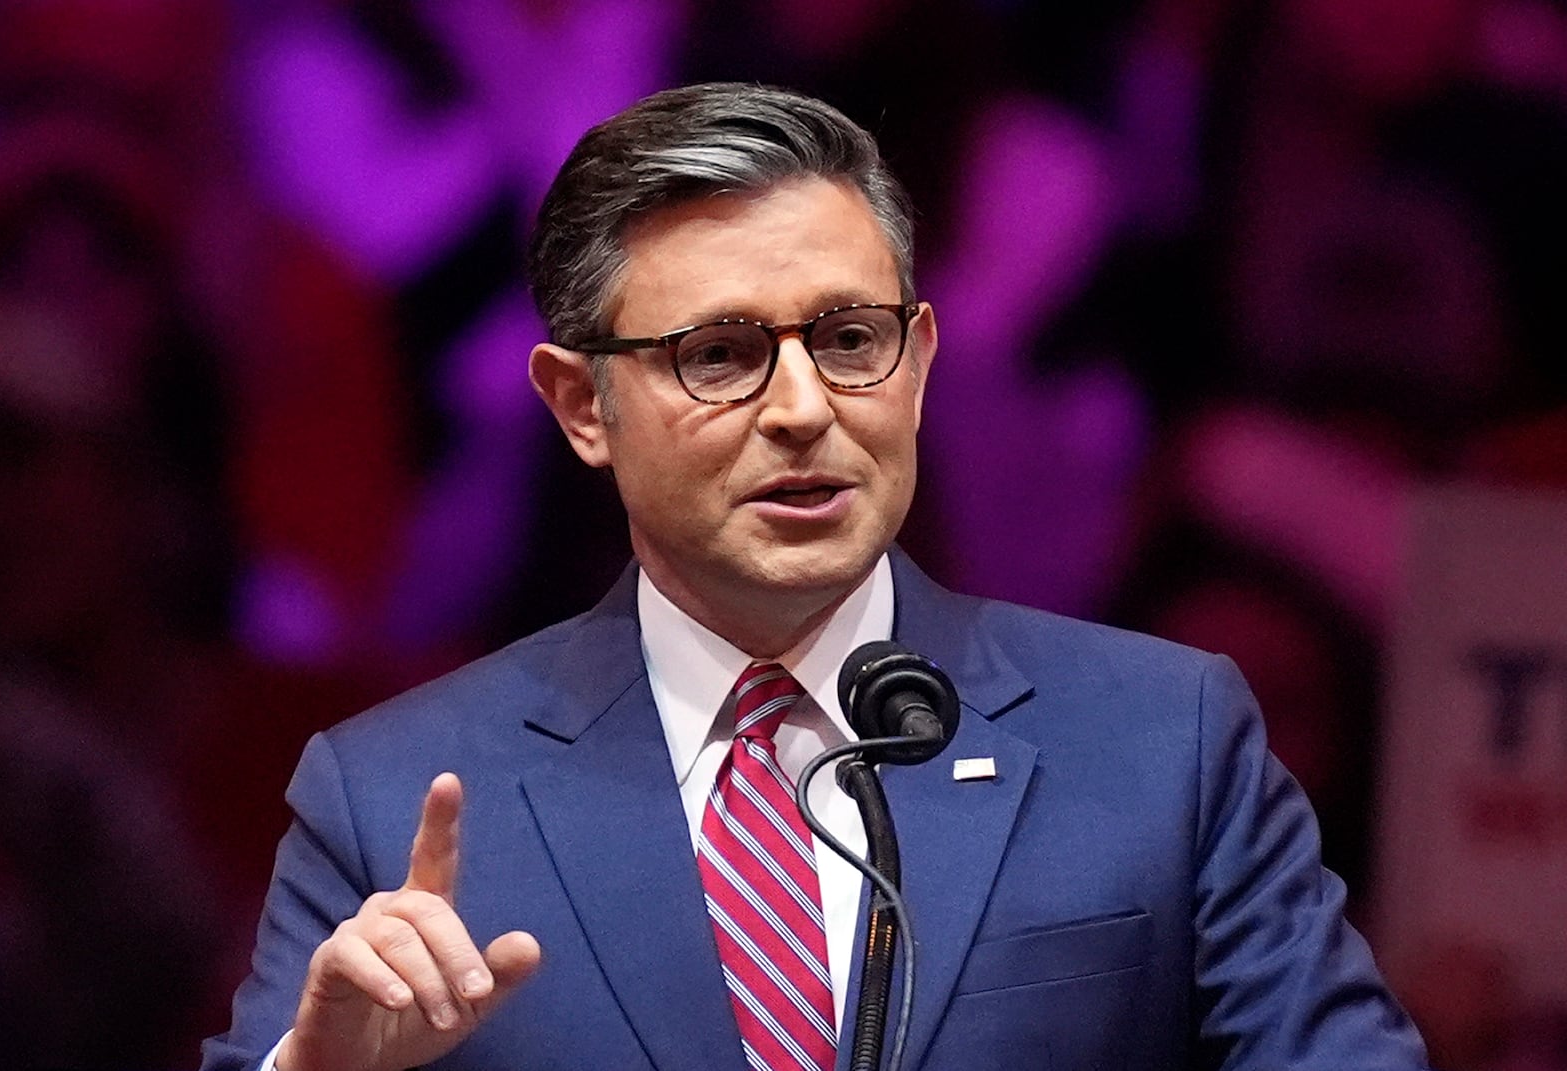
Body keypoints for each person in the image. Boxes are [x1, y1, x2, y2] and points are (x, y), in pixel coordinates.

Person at [202, 82, 1430, 1071]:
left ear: (920, 356)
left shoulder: (1167, 741)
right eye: (721, 354)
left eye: (849, 341)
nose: (802, 409)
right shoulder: (392, 798)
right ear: (582, 405)